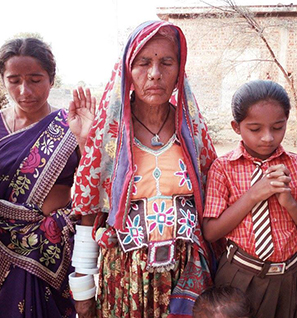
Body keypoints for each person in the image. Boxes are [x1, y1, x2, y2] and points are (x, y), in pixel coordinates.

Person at [70, 20, 218, 318]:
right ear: (127, 70)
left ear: (179, 69)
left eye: (167, 62)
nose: (155, 74)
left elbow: (214, 202)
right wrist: (83, 290)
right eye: (143, 63)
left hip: (186, 277)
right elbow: (89, 211)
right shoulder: (109, 136)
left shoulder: (193, 132)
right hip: (126, 279)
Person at [0, 37, 95, 317]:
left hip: (52, 255)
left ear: (51, 80)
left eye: (35, 79)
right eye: (14, 80)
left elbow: (94, 194)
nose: (24, 90)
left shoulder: (70, 126)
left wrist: (85, 140)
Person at [203, 80, 297, 318]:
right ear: (237, 127)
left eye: (277, 127)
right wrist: (255, 194)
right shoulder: (223, 168)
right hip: (240, 275)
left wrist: (289, 203)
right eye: (255, 129)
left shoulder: (294, 165)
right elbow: (211, 232)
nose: (267, 138)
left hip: (290, 276)